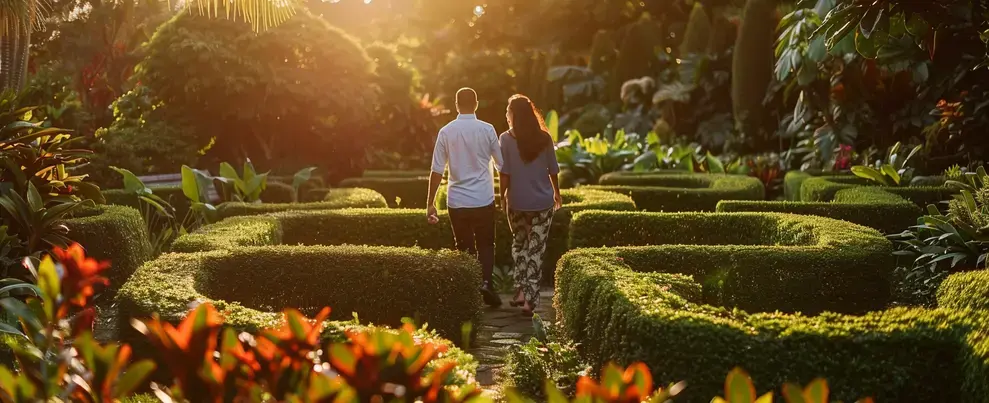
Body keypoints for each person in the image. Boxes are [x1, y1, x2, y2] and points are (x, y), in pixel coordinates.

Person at [426, 87, 504, 308]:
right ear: (476, 104)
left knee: (464, 246)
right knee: (487, 244)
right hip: (483, 198)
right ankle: (487, 283)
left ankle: (469, 291)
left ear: (456, 105)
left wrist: (430, 204)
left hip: (457, 200)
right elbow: (501, 165)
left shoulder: (446, 131)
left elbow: (437, 171)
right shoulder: (487, 130)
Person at [497, 94, 562, 316]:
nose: (506, 114)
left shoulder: (505, 139)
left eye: (508, 111)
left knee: (519, 245)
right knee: (536, 248)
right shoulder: (544, 138)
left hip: (517, 202)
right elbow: (553, 171)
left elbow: (504, 174)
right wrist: (557, 194)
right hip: (542, 203)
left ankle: (521, 292)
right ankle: (529, 299)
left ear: (514, 114)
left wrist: (501, 196)